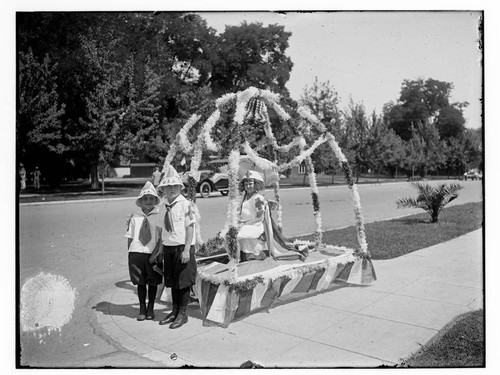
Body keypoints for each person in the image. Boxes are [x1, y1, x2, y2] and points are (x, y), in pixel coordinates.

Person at [152, 166, 197, 329]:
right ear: (162, 189)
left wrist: (186, 250)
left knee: (183, 282)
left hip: (182, 249)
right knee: (172, 281)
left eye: (174, 186)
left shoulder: (185, 205)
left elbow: (190, 227)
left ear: (180, 188)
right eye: (167, 187)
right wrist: (159, 249)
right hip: (169, 248)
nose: (171, 189)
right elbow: (160, 229)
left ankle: (183, 314)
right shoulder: (162, 206)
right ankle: (175, 310)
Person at [237, 170, 308, 262]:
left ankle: (251, 257)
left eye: (250, 184)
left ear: (256, 185)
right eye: (246, 184)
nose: (248, 186)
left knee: (240, 234)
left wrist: (245, 224)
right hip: (245, 224)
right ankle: (242, 256)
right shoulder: (244, 198)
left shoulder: (258, 198)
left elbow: (259, 217)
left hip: (256, 225)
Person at [125, 181, 163, 321]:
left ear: (155, 200)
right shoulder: (135, 217)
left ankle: (150, 308)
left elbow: (161, 237)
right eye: (145, 199)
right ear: (140, 201)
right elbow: (130, 236)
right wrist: (130, 253)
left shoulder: (159, 215)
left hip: (152, 254)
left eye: (151, 198)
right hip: (136, 253)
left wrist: (159, 252)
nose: (148, 201)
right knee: (140, 282)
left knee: (152, 282)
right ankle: (142, 308)